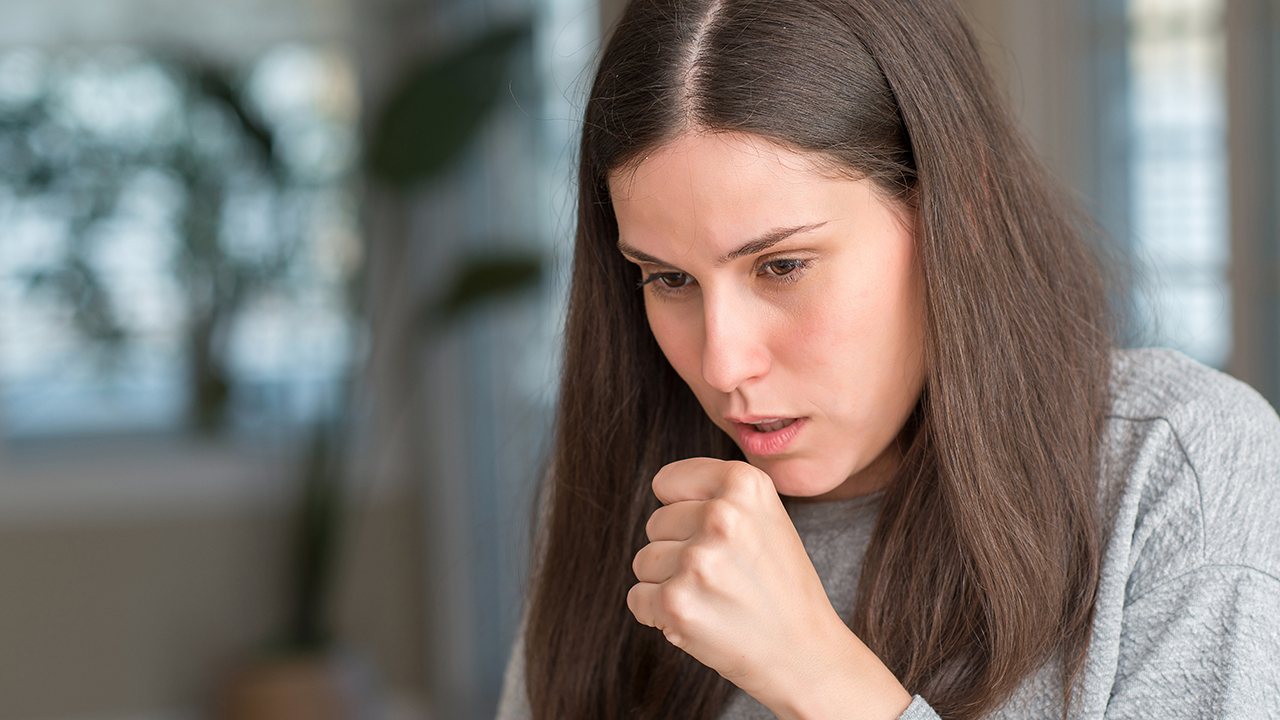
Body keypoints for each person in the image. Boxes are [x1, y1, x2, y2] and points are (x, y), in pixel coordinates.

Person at [496, 0, 1280, 718]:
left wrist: (816, 673)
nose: (723, 363)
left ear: (956, 208)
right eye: (668, 279)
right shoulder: (635, 497)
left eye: (782, 267)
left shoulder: (1177, 475)